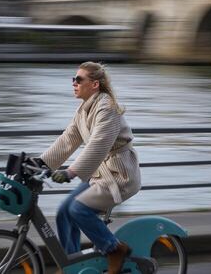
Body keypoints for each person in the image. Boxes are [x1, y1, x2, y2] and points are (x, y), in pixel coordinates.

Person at [34, 61, 141, 274]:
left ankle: (114, 249)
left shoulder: (107, 107)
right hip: (101, 175)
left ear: (94, 85)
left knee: (78, 209)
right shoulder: (84, 109)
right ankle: (71, 265)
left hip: (120, 176)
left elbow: (98, 145)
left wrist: (71, 172)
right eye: (73, 79)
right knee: (64, 211)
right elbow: (67, 140)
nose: (74, 83)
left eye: (79, 79)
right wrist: (38, 164)